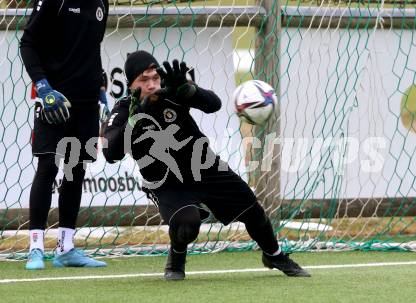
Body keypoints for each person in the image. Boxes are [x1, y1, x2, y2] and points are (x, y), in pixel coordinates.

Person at [102, 50, 311, 280]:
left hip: (204, 166)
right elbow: (111, 153)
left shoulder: (171, 93)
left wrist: (189, 90)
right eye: (143, 80)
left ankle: (274, 255)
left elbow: (214, 104)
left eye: (155, 78)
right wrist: (136, 117)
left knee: (253, 211)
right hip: (166, 181)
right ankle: (177, 256)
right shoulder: (123, 111)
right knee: (187, 225)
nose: (152, 84)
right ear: (130, 84)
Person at [20, 0, 109, 270]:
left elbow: (90, 48)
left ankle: (66, 248)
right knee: (47, 165)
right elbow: (28, 43)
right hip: (54, 98)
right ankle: (36, 247)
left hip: (86, 101)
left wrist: (101, 87)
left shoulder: (101, 2)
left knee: (75, 171)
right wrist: (43, 86)